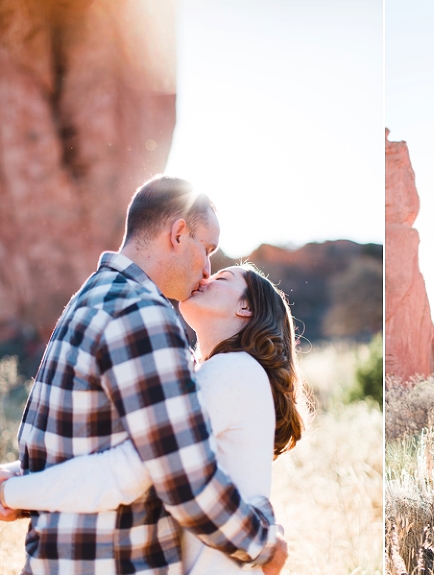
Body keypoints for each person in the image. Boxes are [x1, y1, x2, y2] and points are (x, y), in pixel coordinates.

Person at [0, 176, 288, 575]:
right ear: (178, 234)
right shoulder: (144, 315)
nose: (207, 268)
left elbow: (73, 446)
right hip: (113, 562)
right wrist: (263, 544)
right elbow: (183, 478)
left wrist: (17, 487)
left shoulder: (89, 298)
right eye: (207, 250)